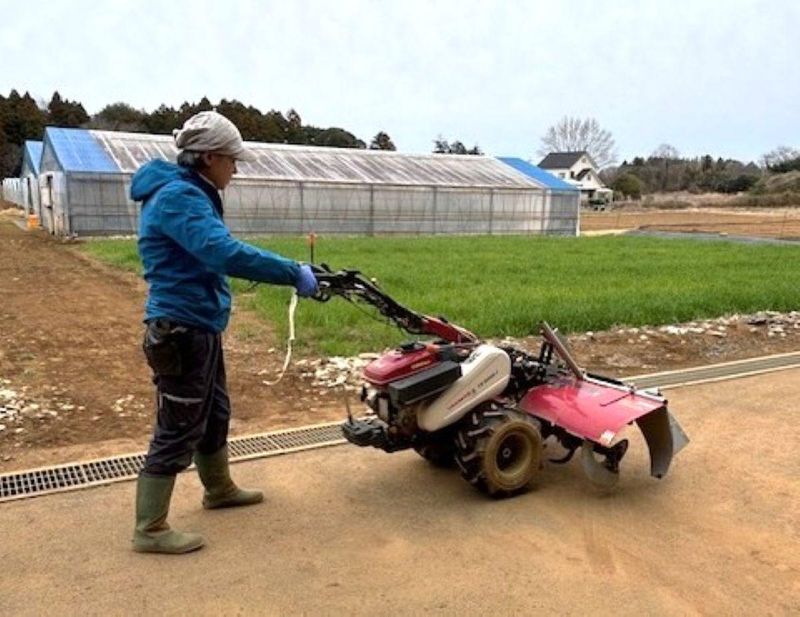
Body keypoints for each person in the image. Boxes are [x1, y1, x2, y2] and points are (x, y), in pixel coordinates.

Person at [129, 111, 318, 554]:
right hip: (180, 329)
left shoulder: (191, 190)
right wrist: (290, 271)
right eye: (232, 160)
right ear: (209, 157)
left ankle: (218, 489)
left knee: (215, 413)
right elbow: (221, 251)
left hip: (200, 324)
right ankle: (149, 529)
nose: (236, 168)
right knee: (178, 425)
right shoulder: (179, 197)